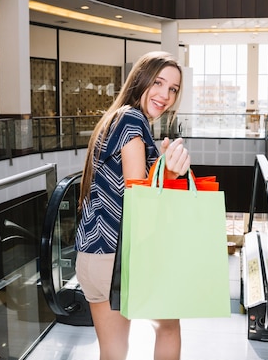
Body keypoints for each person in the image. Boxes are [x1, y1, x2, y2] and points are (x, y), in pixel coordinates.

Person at [75, 51, 190, 360]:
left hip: (92, 256)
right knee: (168, 328)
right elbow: (138, 197)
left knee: (113, 352)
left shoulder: (114, 118)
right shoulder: (131, 119)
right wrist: (167, 171)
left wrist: (161, 168)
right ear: (140, 79)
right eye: (159, 83)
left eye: (173, 89)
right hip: (120, 257)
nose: (165, 95)